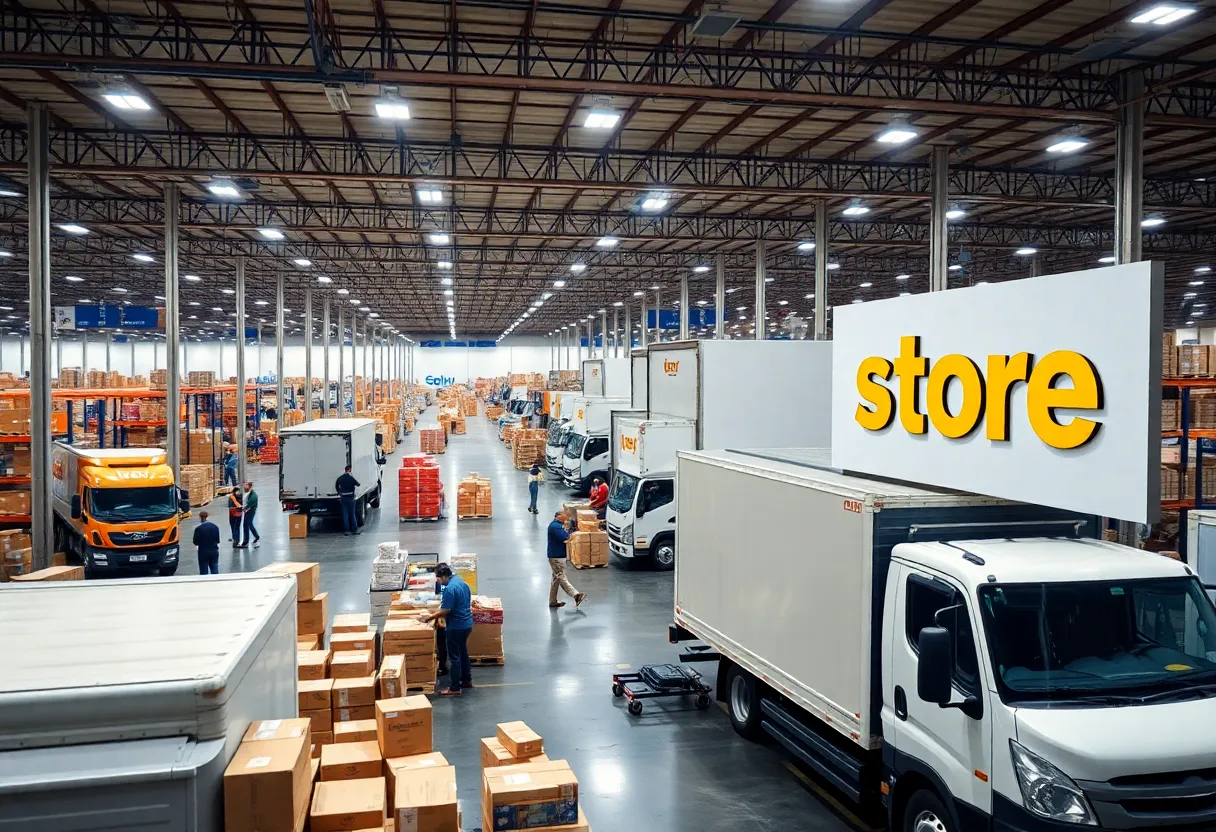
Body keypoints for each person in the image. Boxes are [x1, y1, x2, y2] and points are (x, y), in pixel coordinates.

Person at [421, 564, 474, 696]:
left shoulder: (450, 589)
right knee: (462, 652)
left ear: (444, 576)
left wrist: (430, 617)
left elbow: (446, 609)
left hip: (456, 626)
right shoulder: (461, 581)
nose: (438, 581)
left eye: (438, 578)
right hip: (467, 624)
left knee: (454, 657)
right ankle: (466, 680)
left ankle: (455, 687)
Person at [546, 512, 587, 609]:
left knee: (556, 579)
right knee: (561, 577)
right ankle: (576, 595)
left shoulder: (558, 525)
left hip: (558, 556)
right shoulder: (555, 526)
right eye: (564, 516)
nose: (566, 518)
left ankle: (553, 601)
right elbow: (565, 537)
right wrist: (571, 534)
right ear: (558, 516)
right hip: (557, 558)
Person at [193, 510, 220, 575]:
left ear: (200, 517)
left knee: (203, 570)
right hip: (214, 550)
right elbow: (218, 540)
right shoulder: (215, 527)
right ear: (207, 516)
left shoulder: (198, 529)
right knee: (214, 568)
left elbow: (195, 542)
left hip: (203, 551)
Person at [336, 465, 360, 535]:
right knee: (352, 514)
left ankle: (347, 530)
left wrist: (339, 493)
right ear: (350, 470)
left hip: (343, 497)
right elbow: (358, 484)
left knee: (345, 514)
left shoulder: (340, 478)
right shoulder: (351, 478)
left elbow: (336, 485)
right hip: (351, 498)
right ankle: (354, 530)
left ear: (345, 470)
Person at [242, 481, 261, 548]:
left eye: (245, 485)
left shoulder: (253, 496)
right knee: (245, 525)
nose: (244, 487)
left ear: (249, 486)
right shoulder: (248, 493)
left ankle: (256, 536)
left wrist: (244, 508)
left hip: (250, 512)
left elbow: (250, 504)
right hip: (247, 511)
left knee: (249, 524)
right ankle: (246, 541)